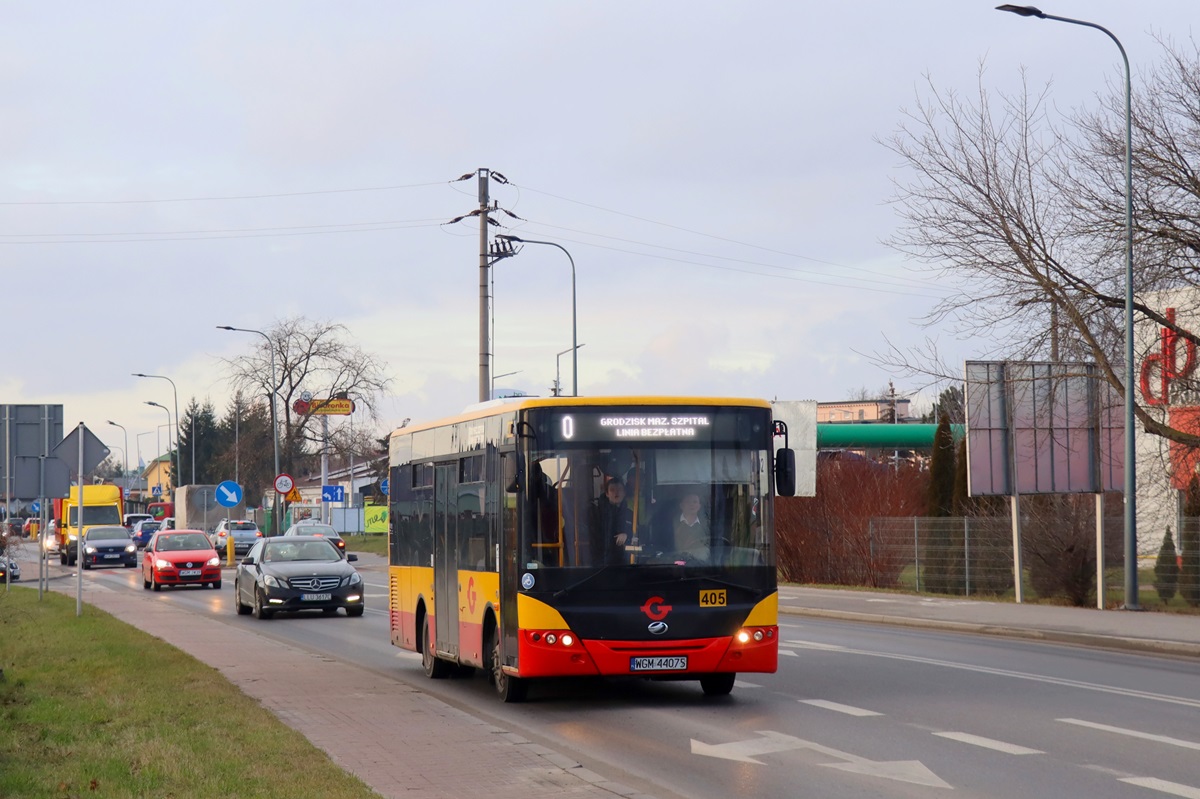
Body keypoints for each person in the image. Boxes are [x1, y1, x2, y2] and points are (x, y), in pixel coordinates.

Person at [589, 477, 635, 564]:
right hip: (601, 562)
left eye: (619, 489)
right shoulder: (597, 513)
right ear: (607, 493)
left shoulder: (630, 513)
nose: (616, 493)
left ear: (624, 493)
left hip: (625, 561)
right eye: (612, 490)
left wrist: (627, 535)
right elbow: (594, 538)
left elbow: (638, 533)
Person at [672, 492, 710, 561]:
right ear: (681, 506)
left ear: (699, 506)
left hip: (700, 563)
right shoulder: (671, 524)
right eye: (688, 502)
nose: (691, 504)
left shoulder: (706, 525)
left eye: (695, 502)